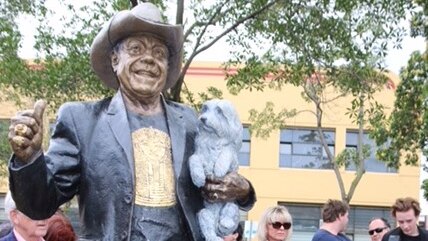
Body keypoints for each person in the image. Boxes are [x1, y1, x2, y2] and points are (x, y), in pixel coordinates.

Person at [7, 2, 255, 241]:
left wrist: (243, 191)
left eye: (159, 53)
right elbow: (39, 205)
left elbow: (213, 184)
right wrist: (29, 159)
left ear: (167, 67)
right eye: (136, 49)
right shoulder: (81, 120)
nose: (149, 59)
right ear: (115, 59)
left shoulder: (190, 121)